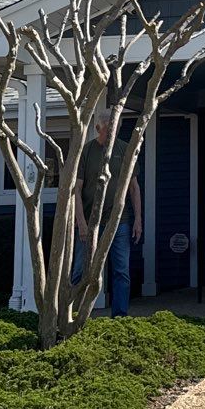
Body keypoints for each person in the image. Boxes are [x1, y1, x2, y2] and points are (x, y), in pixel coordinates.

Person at [71, 110, 142, 317]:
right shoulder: (87, 151)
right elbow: (76, 189)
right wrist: (81, 222)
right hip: (90, 222)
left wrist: (138, 219)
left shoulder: (125, 150)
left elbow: (134, 188)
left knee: (121, 271)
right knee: (80, 270)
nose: (113, 132)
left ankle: (120, 316)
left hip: (119, 221)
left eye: (117, 128)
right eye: (109, 128)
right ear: (98, 128)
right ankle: (74, 316)